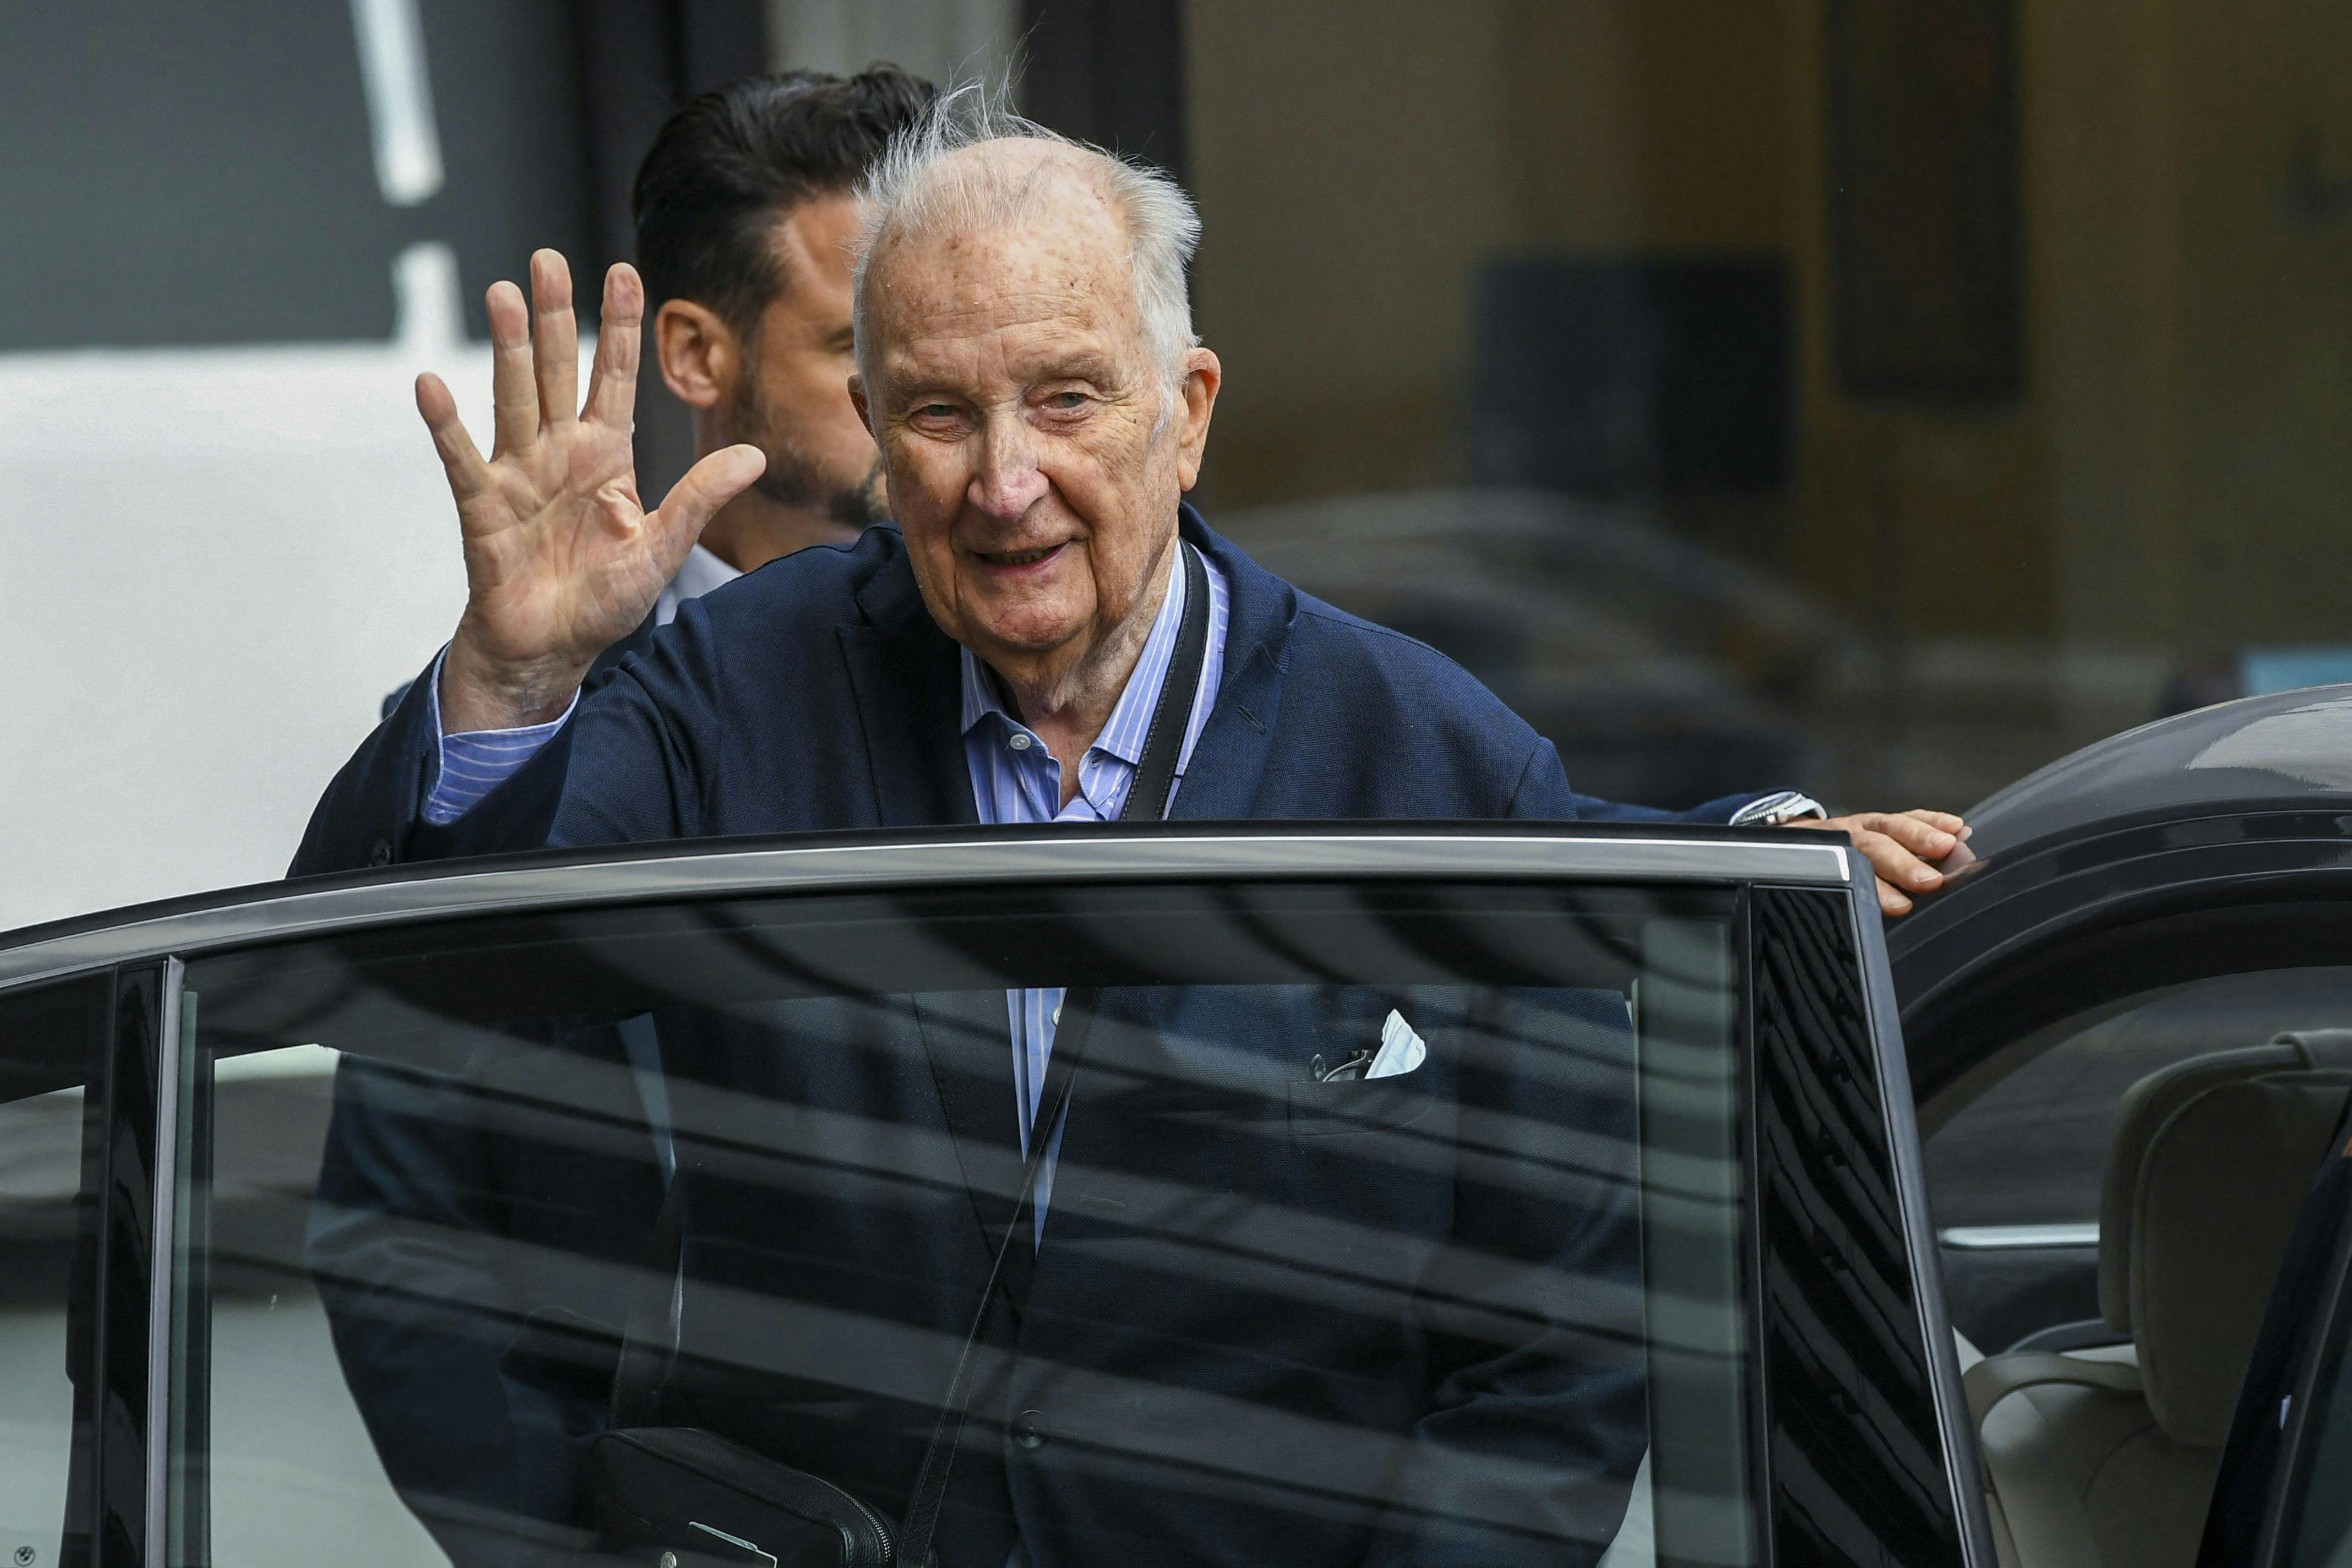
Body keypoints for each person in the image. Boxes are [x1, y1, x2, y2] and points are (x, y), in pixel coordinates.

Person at [301, 90, 1968, 1567]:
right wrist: (512, 679)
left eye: (1066, 400)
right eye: (938, 414)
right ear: (873, 428)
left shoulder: (1427, 748)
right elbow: (422, 992)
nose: (1003, 481)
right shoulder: (729, 690)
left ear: (1188, 408)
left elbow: (1555, 1350)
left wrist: (1750, 846)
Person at [380, 65, 934, 727]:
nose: (927, 391)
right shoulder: (515, 707)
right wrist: (516, 687)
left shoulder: (1015, 649)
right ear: (696, 355)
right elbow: (444, 794)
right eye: (861, 346)